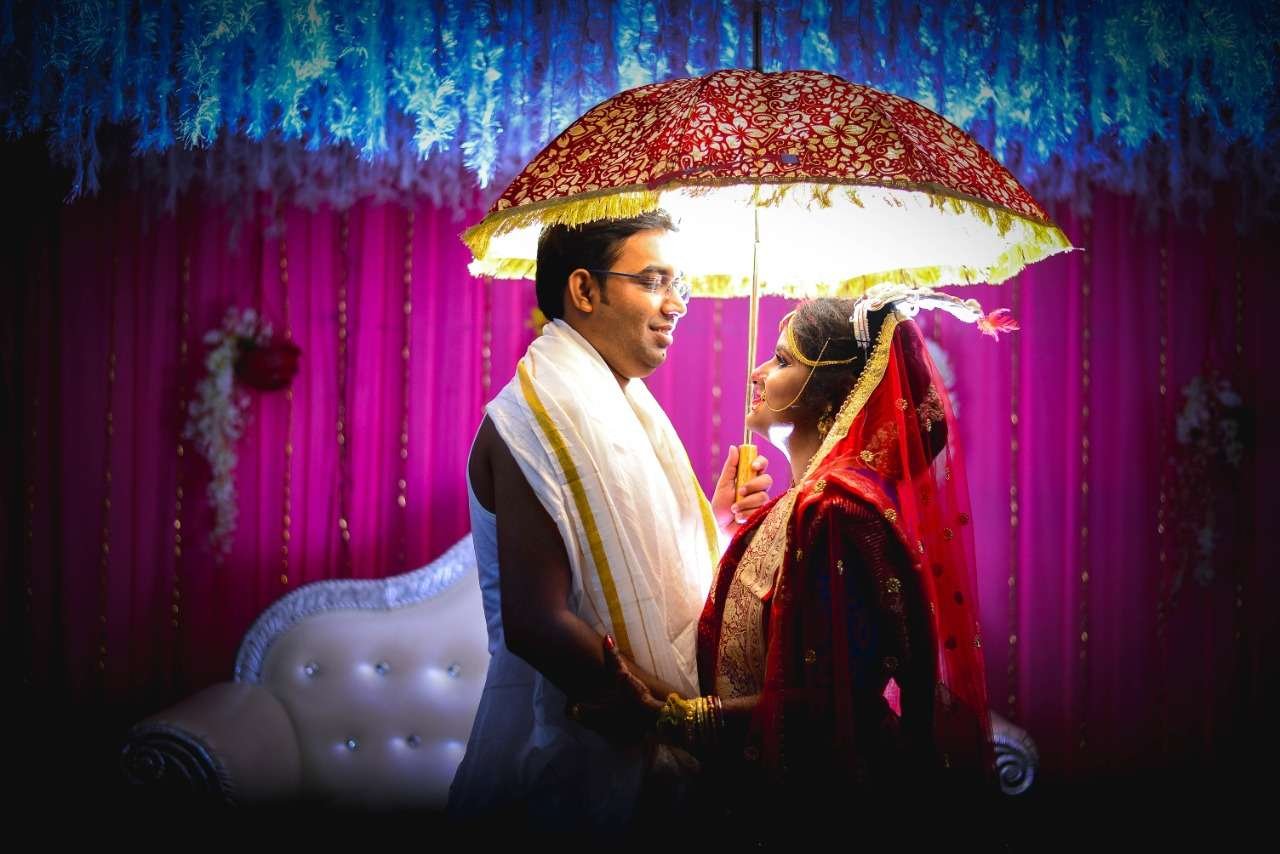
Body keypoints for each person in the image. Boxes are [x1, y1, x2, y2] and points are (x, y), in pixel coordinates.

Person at [600, 288, 1010, 832]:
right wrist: (725, 526)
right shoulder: (800, 504)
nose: (757, 373)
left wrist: (669, 718)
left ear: (833, 394)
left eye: (782, 360)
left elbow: (826, 706)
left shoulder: (837, 511)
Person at [448, 211, 772, 831]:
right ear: (584, 289)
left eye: (679, 284)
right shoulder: (533, 417)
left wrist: (718, 522)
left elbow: (656, 577)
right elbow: (538, 623)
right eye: (653, 281)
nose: (677, 304)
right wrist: (680, 717)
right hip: (558, 761)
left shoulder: (624, 408)